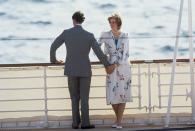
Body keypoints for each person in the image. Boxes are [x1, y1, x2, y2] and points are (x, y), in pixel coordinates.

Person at [50, 11, 115, 129]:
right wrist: (107, 64)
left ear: (73, 20)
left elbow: (53, 47)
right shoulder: (89, 35)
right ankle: (85, 124)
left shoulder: (66, 33)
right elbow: (99, 53)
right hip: (85, 70)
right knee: (85, 98)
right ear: (82, 21)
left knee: (74, 98)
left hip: (71, 70)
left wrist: (54, 60)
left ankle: (75, 123)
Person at [98, 13, 132, 129]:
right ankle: (118, 120)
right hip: (110, 66)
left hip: (123, 67)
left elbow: (126, 53)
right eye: (110, 22)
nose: (111, 24)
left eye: (113, 22)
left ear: (118, 23)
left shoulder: (125, 35)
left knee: (122, 93)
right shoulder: (105, 34)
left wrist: (116, 64)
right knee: (112, 94)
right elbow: (97, 48)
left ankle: (118, 122)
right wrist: (106, 63)